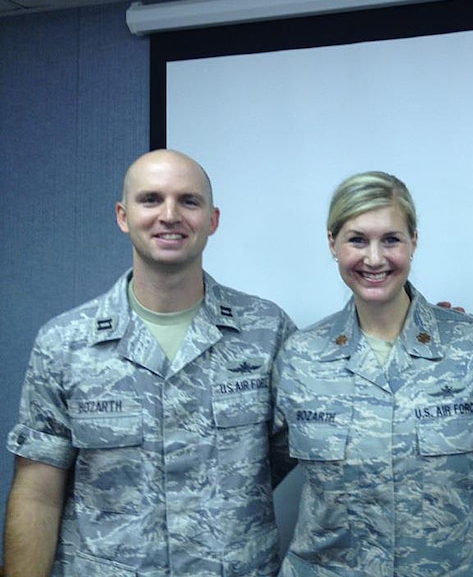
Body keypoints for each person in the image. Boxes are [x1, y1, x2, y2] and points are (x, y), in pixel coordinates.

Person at [4, 149, 297, 576]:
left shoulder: (266, 331)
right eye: (151, 199)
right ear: (123, 216)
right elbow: (37, 494)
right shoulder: (65, 343)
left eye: (189, 201)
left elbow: (295, 449)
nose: (170, 214)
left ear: (212, 220)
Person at [272, 171, 473, 576]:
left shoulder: (471, 346)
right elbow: (256, 469)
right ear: (333, 243)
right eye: (357, 239)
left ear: (414, 241)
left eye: (391, 239)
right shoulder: (301, 356)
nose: (375, 259)